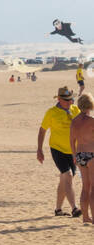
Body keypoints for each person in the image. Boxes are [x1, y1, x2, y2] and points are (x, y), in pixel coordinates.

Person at [37, 86, 81, 217]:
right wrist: (39, 149)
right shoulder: (51, 112)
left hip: (72, 150)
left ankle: (58, 210)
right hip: (57, 149)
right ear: (59, 99)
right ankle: (74, 208)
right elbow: (42, 130)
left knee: (65, 179)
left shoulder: (75, 109)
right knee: (67, 175)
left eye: (71, 99)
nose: (70, 102)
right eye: (67, 100)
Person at [70, 93, 94, 226]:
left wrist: (74, 155)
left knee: (85, 187)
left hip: (79, 155)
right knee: (93, 187)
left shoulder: (74, 122)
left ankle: (85, 217)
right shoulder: (92, 121)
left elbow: (71, 140)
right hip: (92, 155)